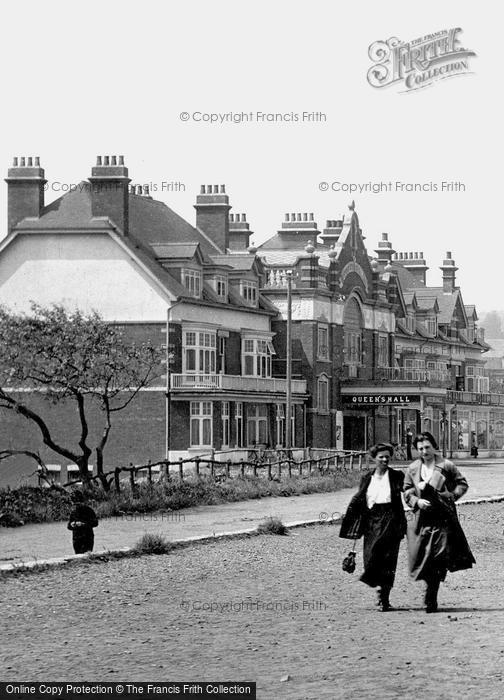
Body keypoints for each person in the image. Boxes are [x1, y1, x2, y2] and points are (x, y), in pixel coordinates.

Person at [404, 431, 475, 613]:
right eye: (420, 448)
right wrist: (416, 501)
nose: (424, 451)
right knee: (423, 556)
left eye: (427, 447)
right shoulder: (412, 468)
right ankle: (430, 588)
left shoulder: (446, 465)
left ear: (434, 447)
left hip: (443, 518)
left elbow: (462, 484)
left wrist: (450, 496)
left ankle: (431, 595)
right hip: (421, 520)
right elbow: (407, 491)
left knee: (439, 557)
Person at [340, 443, 407, 611]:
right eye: (381, 457)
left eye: (387, 457)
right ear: (374, 458)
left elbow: (406, 491)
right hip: (371, 520)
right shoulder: (367, 478)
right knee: (371, 557)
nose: (384, 460)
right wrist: (353, 521)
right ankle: (378, 586)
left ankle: (384, 596)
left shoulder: (397, 476)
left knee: (388, 559)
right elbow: (360, 498)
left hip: (391, 519)